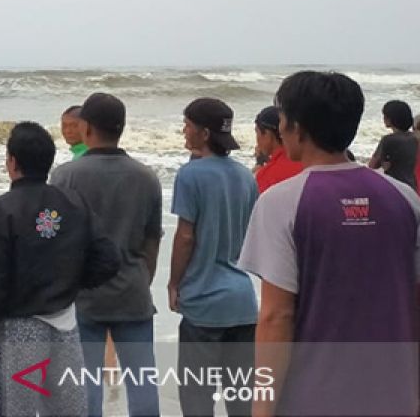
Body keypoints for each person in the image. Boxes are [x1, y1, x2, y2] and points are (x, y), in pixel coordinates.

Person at [239, 72, 420, 417]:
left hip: (313, 397)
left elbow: (277, 316)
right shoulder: (404, 198)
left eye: (281, 117)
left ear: (298, 127)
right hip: (394, 392)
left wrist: (262, 408)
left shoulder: (282, 203)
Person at [0, 122, 120, 417]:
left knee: (16, 411)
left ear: (12, 162)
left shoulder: (4, 208)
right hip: (65, 325)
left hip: (20, 331)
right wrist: (70, 282)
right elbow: (108, 260)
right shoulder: (74, 202)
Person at [50, 92, 161, 417]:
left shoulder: (66, 177)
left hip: (84, 296)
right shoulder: (146, 177)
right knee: (142, 383)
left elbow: (55, 237)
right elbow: (151, 240)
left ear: (86, 128)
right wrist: (143, 277)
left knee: (85, 385)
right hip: (133, 292)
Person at [168, 99, 259, 417]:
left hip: (204, 301)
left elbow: (185, 236)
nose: (184, 130)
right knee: (240, 399)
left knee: (197, 398)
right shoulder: (247, 176)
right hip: (243, 302)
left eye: (188, 125)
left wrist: (173, 282)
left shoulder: (190, 175)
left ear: (204, 133)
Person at [368, 99, 418, 191]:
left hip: (395, 187)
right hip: (412, 187)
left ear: (390, 119)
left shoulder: (388, 140)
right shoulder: (414, 138)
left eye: (385, 116)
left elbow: (372, 165)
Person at [251, 106, 303, 193]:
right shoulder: (306, 160)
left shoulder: (266, 175)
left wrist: (260, 167)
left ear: (267, 134)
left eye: (257, 132)